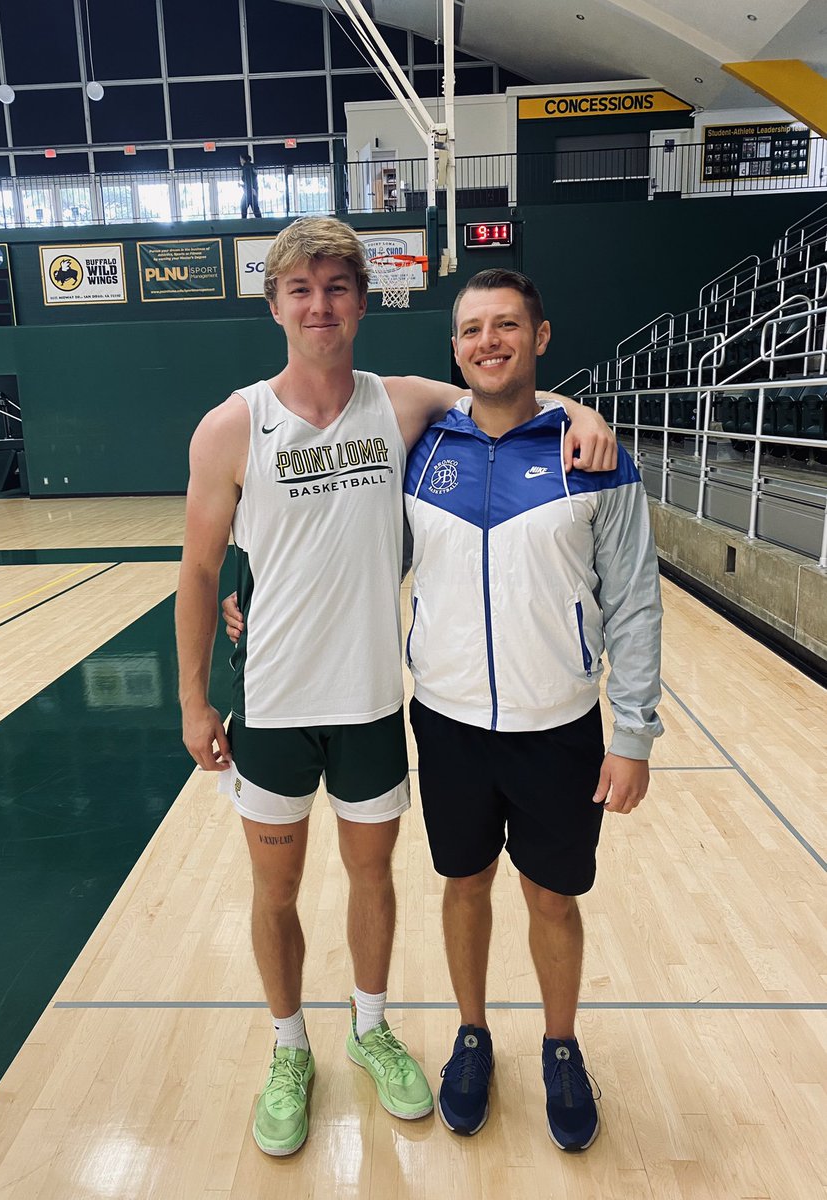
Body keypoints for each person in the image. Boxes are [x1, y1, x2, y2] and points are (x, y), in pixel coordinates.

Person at [178, 218, 616, 1158]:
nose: (320, 304)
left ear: (362, 303)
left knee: (373, 878)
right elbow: (199, 572)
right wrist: (192, 700)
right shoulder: (230, 424)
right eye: (301, 289)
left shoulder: (403, 403)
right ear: (275, 304)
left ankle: (371, 1028)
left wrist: (580, 410)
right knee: (275, 887)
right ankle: (290, 1047)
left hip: (377, 700)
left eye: (337, 287)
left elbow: (505, 391)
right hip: (274, 708)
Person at [403, 268, 663, 1149]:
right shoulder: (421, 449)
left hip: (559, 727)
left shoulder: (593, 454)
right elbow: (355, 559)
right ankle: (471, 1035)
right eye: (473, 329)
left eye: (506, 325)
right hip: (445, 721)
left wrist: (632, 732)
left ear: (540, 338)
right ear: (455, 347)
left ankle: (560, 1046)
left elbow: (633, 600)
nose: (488, 342)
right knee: (463, 883)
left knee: (552, 898)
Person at [239, 152, 262, 219]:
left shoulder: (246, 167)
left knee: (244, 205)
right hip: (251, 189)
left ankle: (244, 221)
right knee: (254, 206)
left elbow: (248, 179)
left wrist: (251, 188)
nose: (240, 161)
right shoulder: (252, 167)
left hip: (249, 190)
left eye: (241, 159)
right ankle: (260, 221)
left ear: (244, 159)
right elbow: (251, 179)